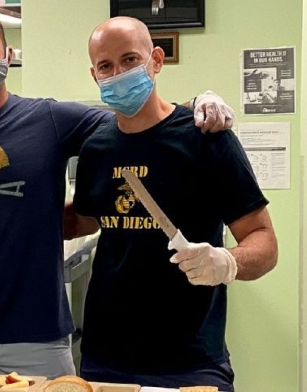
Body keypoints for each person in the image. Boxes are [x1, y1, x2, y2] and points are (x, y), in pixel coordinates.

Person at [0, 2, 236, 379]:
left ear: (7, 56)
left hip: (37, 332)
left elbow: (139, 120)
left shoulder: (49, 120)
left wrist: (194, 106)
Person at [70, 17, 278, 390]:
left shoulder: (206, 141)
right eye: (106, 66)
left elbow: (264, 241)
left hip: (191, 360)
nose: (118, 73)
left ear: (156, 60)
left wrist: (229, 262)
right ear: (94, 74)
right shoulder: (95, 150)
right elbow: (83, 221)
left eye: (130, 60)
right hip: (105, 359)